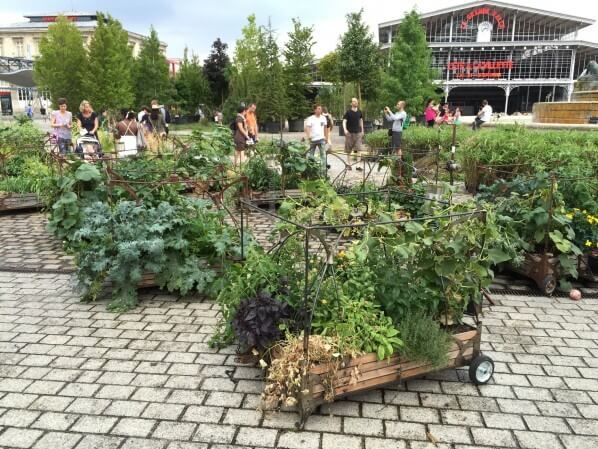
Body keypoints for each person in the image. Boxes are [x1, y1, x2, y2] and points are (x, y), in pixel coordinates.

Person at [305, 105, 329, 177]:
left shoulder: (323, 118)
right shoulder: (311, 118)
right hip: (313, 140)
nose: (320, 110)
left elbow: (325, 128)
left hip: (321, 139)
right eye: (318, 109)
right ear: (315, 110)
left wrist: (326, 137)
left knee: (323, 155)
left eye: (320, 109)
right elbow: (308, 127)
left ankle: (323, 172)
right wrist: (309, 136)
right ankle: (310, 171)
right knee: (311, 155)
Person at [342, 98, 364, 169]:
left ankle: (358, 165)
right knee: (348, 150)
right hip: (349, 133)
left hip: (358, 133)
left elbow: (361, 120)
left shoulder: (359, 112)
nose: (355, 102)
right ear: (351, 103)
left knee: (359, 149)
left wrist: (362, 130)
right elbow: (344, 121)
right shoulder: (348, 112)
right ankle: (348, 165)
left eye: (356, 101)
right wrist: (345, 130)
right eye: (354, 101)